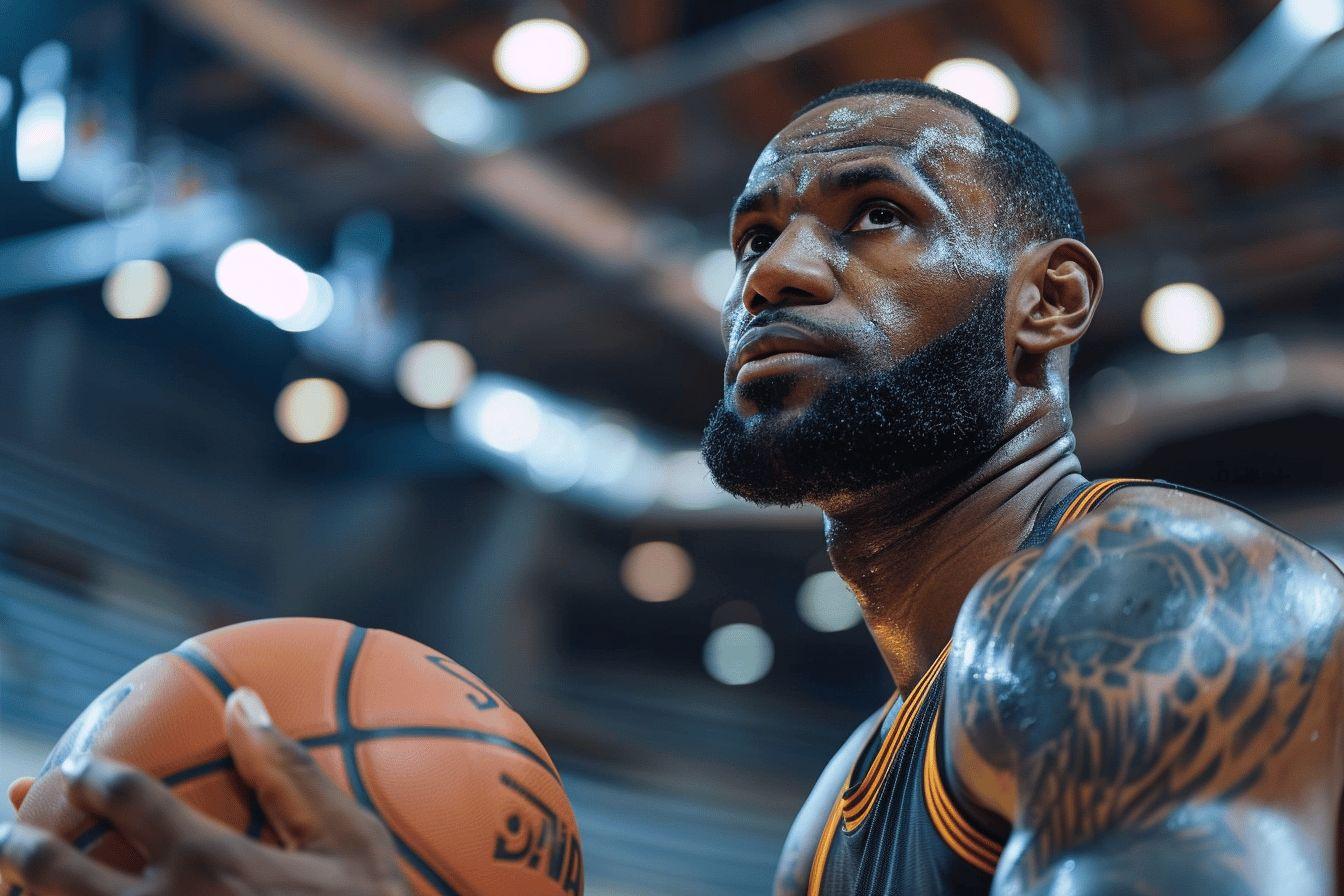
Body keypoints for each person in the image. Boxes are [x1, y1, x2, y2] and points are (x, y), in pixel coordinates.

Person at [1, 77, 1341, 896]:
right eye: (756, 234)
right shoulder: (836, 816)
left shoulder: (1159, 598)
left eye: (876, 217)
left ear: (1046, 302)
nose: (775, 273)